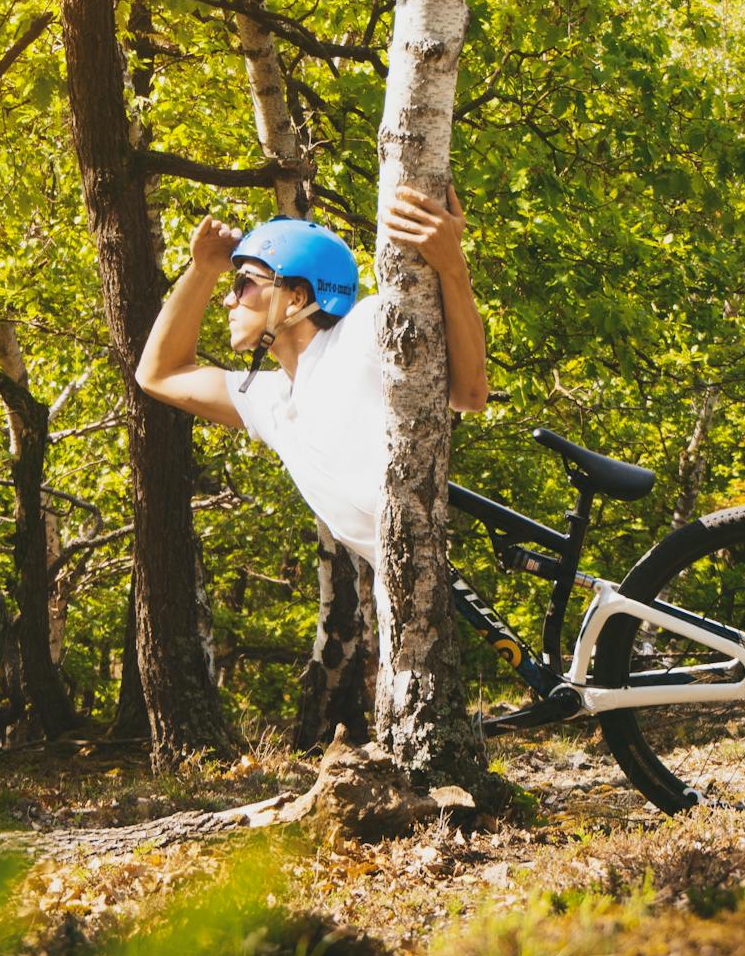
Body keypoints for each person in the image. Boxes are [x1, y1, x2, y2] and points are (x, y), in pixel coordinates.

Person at [134, 186, 490, 646]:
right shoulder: (273, 397)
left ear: (297, 298)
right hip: (404, 591)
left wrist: (451, 267)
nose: (228, 300)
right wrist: (202, 270)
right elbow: (157, 375)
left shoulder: (364, 327)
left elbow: (470, 393)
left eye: (243, 284)